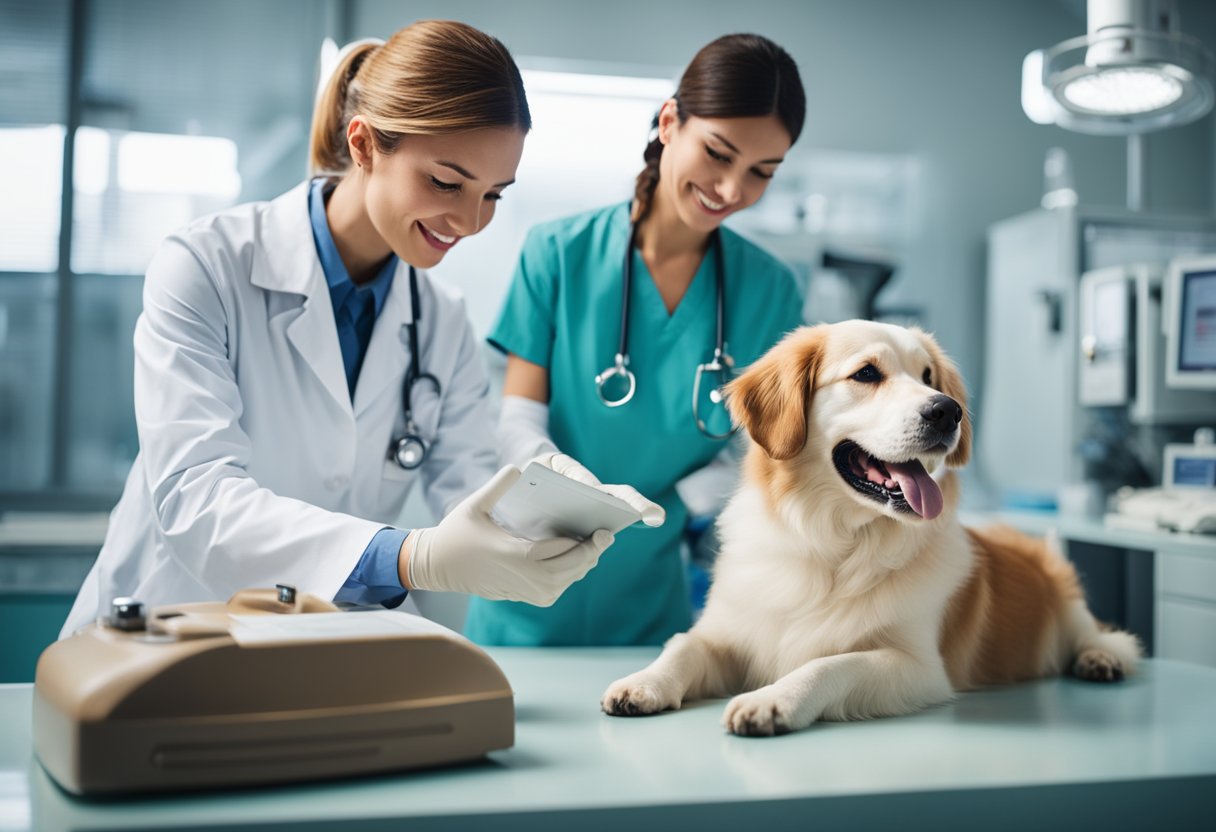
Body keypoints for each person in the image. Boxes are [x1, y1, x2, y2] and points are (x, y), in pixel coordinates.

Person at [60, 20, 661, 638]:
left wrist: (558, 506)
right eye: (446, 183)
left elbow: (473, 489)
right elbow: (195, 500)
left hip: (313, 650)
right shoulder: (206, 266)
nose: (470, 220)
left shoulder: (441, 321)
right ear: (366, 144)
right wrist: (409, 557)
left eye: (493, 196)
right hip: (162, 633)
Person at [466, 33, 807, 646]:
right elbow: (517, 418)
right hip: (526, 590)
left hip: (654, 613)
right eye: (719, 153)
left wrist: (675, 500)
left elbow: (765, 447)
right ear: (671, 122)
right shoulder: (557, 253)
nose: (732, 190)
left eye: (762, 172)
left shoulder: (771, 291)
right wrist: (572, 491)